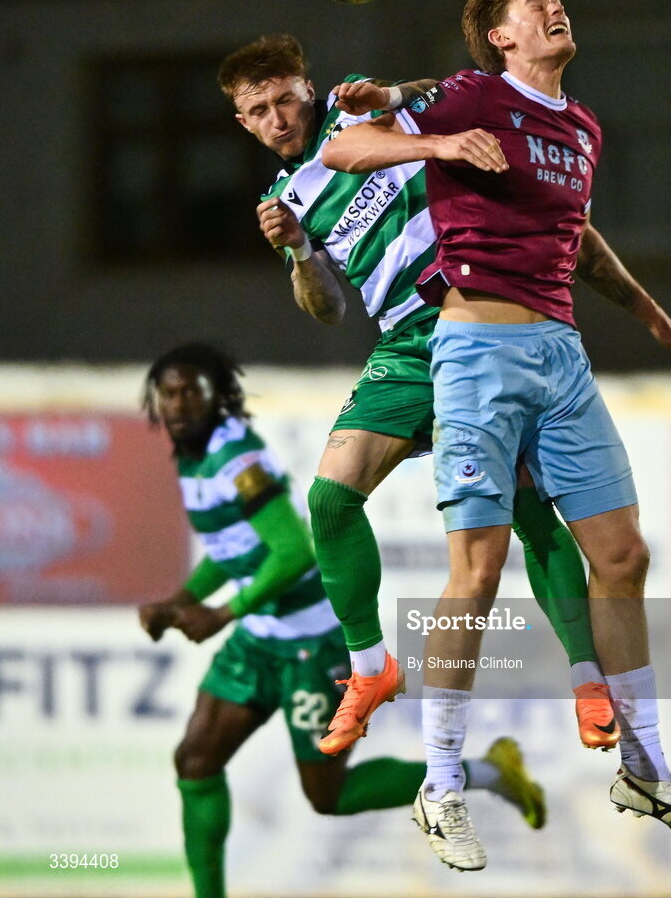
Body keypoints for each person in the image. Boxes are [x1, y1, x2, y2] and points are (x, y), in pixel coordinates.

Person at [321, 0, 671, 871]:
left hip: (561, 355)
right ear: (501, 36)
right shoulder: (472, 95)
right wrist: (437, 146)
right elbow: (344, 149)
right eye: (533, 5)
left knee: (622, 556)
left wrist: (655, 316)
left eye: (556, 0)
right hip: (474, 353)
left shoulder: (580, 126)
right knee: (479, 570)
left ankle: (648, 763)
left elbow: (576, 237)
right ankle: (441, 785)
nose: (554, 9)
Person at [215, 34, 622, 766]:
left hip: (477, 318)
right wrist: (302, 250)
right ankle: (372, 670)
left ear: (307, 88)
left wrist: (404, 103)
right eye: (258, 111)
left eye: (284, 98)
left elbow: (443, 91)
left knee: (529, 508)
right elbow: (326, 309)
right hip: (405, 346)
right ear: (243, 123)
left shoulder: (355, 108)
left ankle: (590, 680)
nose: (277, 117)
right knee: (330, 500)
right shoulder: (283, 201)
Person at [137, 342, 546, 898]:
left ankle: (493, 772)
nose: (179, 403)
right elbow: (236, 547)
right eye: (169, 392)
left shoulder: (238, 461)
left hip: (310, 646)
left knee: (327, 797)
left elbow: (294, 552)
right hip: (260, 641)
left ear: (219, 399)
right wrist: (182, 597)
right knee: (195, 760)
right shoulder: (191, 456)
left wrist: (221, 612)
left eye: (192, 391)